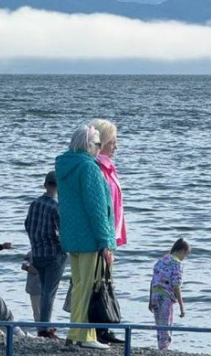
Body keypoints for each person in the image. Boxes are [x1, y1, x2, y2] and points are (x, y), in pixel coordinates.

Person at [56, 125, 116, 350]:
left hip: (72, 236)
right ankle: (85, 335)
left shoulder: (65, 166)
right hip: (90, 238)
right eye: (98, 144)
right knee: (90, 286)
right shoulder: (89, 168)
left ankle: (75, 332)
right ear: (88, 145)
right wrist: (106, 241)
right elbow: (97, 208)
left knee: (79, 285)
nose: (100, 148)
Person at [88, 119, 126, 344]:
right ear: (101, 143)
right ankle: (100, 328)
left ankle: (104, 326)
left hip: (109, 234)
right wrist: (106, 239)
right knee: (99, 282)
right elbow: (102, 206)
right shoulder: (99, 168)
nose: (116, 146)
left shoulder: (109, 168)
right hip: (103, 236)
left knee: (105, 281)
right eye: (113, 142)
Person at [24, 170, 67, 339]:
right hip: (53, 254)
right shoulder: (56, 206)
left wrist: (35, 243)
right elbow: (63, 232)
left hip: (37, 253)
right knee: (49, 292)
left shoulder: (34, 203)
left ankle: (42, 324)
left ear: (45, 184)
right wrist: (64, 249)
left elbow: (27, 225)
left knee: (44, 291)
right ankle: (44, 328)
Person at [148, 238, 190, 350]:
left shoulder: (160, 261)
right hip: (165, 297)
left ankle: (161, 348)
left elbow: (153, 281)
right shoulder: (176, 263)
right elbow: (176, 286)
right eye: (186, 255)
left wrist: (149, 301)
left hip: (155, 296)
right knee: (166, 325)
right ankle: (164, 349)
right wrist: (182, 306)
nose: (184, 258)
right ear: (183, 251)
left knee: (159, 326)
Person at [21, 251, 42, 322]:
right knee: (37, 311)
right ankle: (41, 329)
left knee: (41, 311)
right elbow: (24, 265)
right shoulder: (31, 253)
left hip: (43, 286)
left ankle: (45, 329)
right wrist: (29, 268)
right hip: (35, 286)